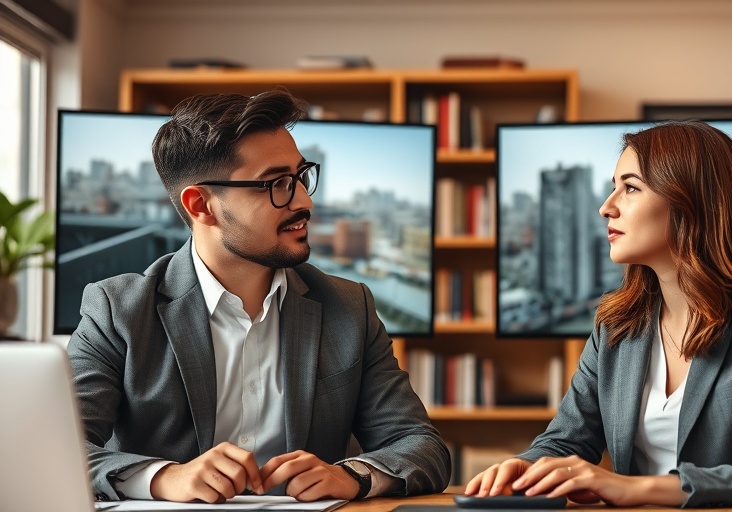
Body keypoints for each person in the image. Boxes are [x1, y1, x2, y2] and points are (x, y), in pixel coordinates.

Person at [68, 89, 451, 504]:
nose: (304, 201)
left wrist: (354, 476)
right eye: (276, 185)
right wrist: (164, 479)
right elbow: (59, 448)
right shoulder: (117, 311)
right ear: (202, 205)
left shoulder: (349, 308)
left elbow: (421, 446)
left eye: (301, 177)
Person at [464, 120, 732, 508]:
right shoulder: (616, 322)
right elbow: (565, 441)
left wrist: (636, 489)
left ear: (691, 201)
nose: (606, 207)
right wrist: (522, 468)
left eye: (630, 188)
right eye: (613, 187)